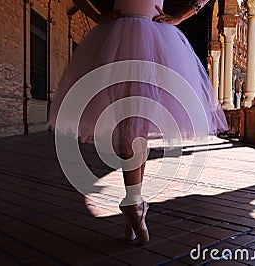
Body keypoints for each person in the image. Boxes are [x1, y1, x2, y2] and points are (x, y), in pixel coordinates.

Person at [48, 0, 228, 245]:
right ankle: (133, 202)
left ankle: (135, 201)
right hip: (133, 36)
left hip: (137, 36)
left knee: (134, 126)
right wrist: (98, 14)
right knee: (133, 125)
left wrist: (179, 17)